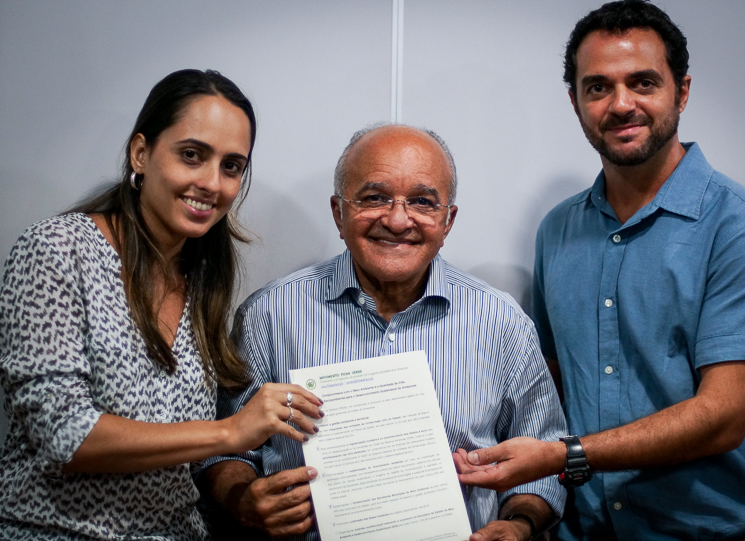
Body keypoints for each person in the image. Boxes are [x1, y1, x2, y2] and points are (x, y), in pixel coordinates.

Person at [454, 1, 745, 540]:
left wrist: (560, 457)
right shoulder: (558, 230)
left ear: (681, 91)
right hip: (582, 530)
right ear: (575, 101)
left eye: (642, 82)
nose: (620, 104)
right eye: (597, 87)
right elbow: (551, 384)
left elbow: (725, 415)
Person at [202, 124, 568, 541]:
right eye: (375, 198)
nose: (397, 220)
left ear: (448, 221)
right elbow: (225, 449)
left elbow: (542, 462)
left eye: (422, 202)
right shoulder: (270, 315)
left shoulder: (502, 323)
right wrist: (241, 498)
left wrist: (520, 523)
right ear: (338, 212)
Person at [0, 69, 322, 540]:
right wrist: (230, 431)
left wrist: (248, 492)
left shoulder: (203, 280)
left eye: (231, 166)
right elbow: (63, 434)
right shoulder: (57, 250)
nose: (212, 183)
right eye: (192, 156)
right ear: (141, 153)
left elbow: (194, 463)